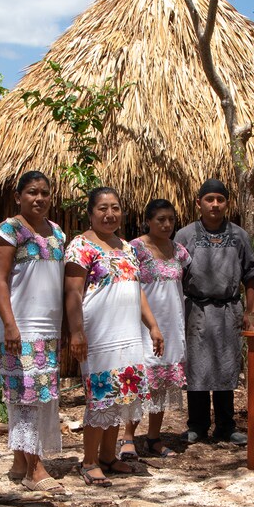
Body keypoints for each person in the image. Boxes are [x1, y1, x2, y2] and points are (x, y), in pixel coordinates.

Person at [65, 187, 165, 486]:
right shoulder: (80, 246)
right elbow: (72, 292)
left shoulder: (126, 247)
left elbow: (136, 290)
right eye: (102, 209)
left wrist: (153, 326)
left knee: (122, 395)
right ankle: (89, 460)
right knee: (101, 396)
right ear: (91, 213)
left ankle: (109, 456)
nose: (110, 214)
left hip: (128, 334)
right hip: (99, 335)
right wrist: (76, 332)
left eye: (115, 208)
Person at [0, 170, 67, 492]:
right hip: (21, 327)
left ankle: (20, 462)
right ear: (18, 196)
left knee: (42, 395)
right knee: (26, 396)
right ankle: (34, 469)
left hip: (49, 327)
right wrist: (10, 324)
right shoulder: (8, 231)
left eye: (45, 193)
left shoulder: (58, 233)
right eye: (32, 192)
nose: (39, 198)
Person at [176, 179, 254, 445]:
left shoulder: (239, 236)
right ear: (199, 202)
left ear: (227, 203)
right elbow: (174, 275)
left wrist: (250, 310)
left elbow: (251, 274)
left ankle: (226, 425)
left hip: (228, 309)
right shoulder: (185, 235)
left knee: (226, 366)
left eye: (220, 200)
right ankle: (197, 425)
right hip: (196, 309)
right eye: (209, 199)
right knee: (197, 368)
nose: (214, 204)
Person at [122, 199, 191, 458]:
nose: (166, 224)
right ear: (148, 221)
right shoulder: (134, 249)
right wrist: (149, 324)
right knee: (140, 380)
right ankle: (128, 438)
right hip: (141, 324)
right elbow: (130, 286)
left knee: (161, 383)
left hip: (172, 324)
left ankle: (153, 438)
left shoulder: (179, 251)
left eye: (171, 219)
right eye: (160, 219)